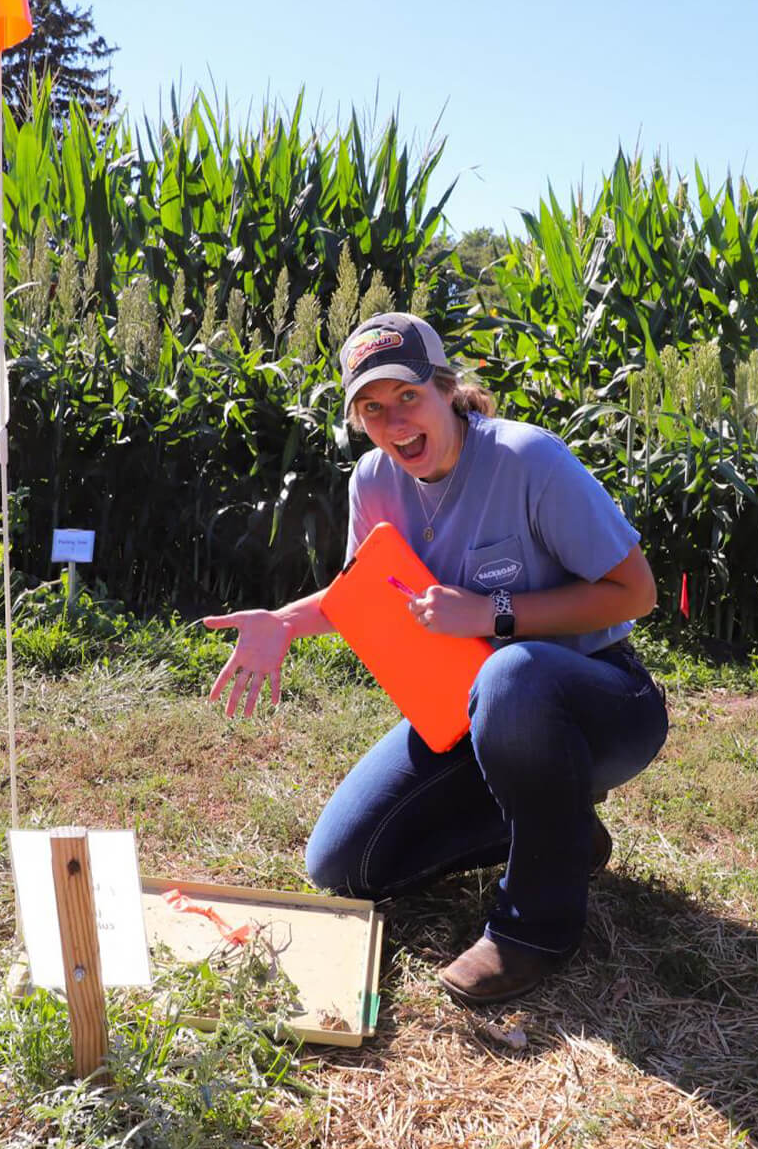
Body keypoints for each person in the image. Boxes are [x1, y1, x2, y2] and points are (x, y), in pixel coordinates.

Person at [204, 312, 668, 1005]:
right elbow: (367, 594)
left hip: (603, 700)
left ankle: (533, 929)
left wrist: (493, 614)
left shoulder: (526, 460)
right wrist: (284, 623)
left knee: (511, 671)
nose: (395, 423)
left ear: (446, 387)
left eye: (408, 397)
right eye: (372, 408)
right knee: (342, 864)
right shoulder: (373, 483)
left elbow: (636, 591)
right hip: (473, 711)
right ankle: (564, 830)